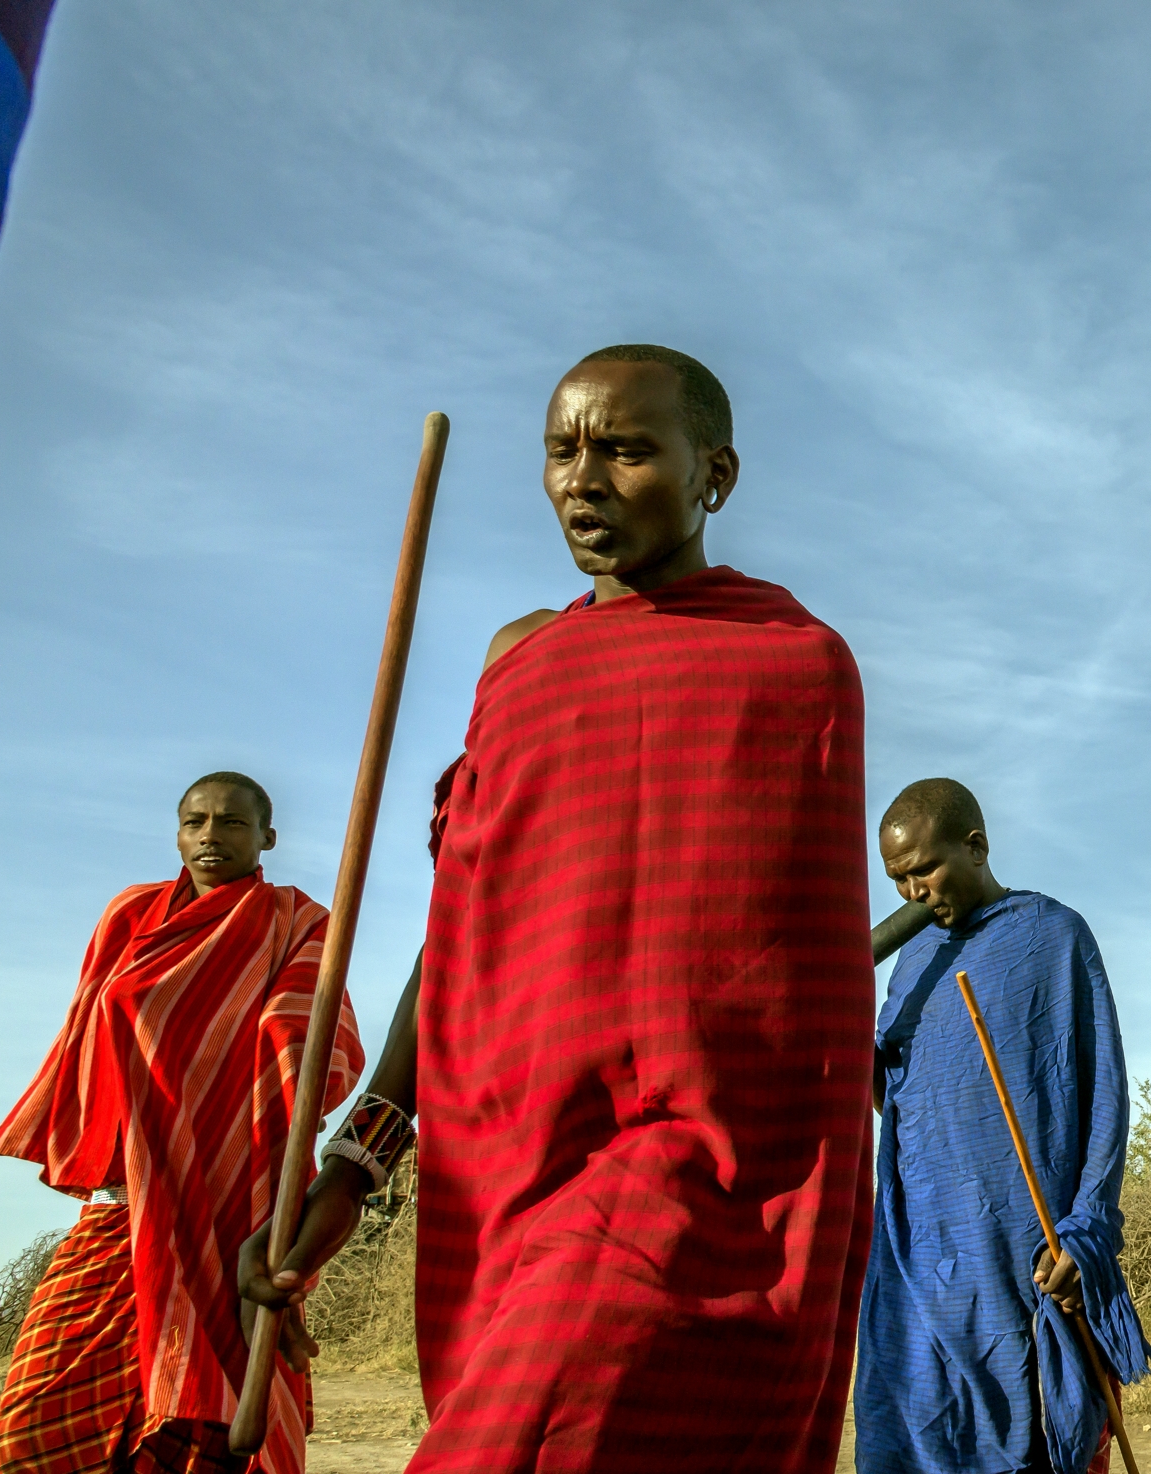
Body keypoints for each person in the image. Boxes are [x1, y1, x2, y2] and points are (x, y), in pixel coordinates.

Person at [237, 344, 875, 1474]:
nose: (582, 480)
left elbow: (799, 980)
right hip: (510, 1161)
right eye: (561, 451)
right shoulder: (520, 661)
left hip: (709, 1172)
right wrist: (357, 1160)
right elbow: (466, 932)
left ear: (715, 475)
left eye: (625, 450)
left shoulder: (795, 665)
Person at [0, 773, 362, 1474]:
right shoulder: (131, 914)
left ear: (267, 837)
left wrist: (287, 1051)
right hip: (122, 1198)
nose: (212, 836)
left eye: (233, 823)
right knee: (29, 1430)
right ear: (179, 832)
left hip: (229, 1198)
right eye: (196, 822)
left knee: (203, 1427)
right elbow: (85, 1031)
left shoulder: (300, 923)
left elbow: (314, 1034)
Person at [855, 778, 1151, 1474]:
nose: (912, 894)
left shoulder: (1052, 939)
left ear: (976, 846)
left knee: (1035, 1440)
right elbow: (901, 1104)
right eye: (897, 880)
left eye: (924, 870)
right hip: (925, 1262)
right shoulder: (912, 963)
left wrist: (1086, 1230)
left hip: (1024, 1257)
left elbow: (1104, 1098)